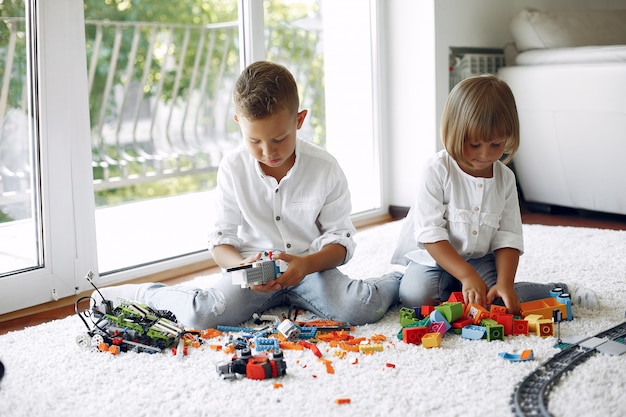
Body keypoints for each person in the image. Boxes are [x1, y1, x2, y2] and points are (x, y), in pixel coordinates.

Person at [94, 61, 401, 329]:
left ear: (299, 120)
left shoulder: (325, 168)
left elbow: (341, 240)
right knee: (203, 314)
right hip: (250, 276)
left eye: (280, 138)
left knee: (359, 308)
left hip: (311, 269)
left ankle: (401, 277)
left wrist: (304, 265)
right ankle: (144, 293)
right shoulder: (232, 168)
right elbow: (220, 240)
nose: (268, 152)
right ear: (238, 123)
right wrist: (242, 268)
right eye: (255, 141)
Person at [391, 74, 598, 314]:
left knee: (500, 302)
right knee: (415, 297)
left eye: (496, 144)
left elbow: (508, 236)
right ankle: (441, 284)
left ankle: (560, 289)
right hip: (433, 257)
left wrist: (505, 284)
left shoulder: (505, 179)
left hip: (480, 258)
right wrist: (467, 275)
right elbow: (430, 234)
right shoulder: (436, 169)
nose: (485, 154)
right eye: (475, 145)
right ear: (453, 132)